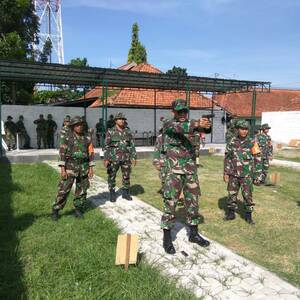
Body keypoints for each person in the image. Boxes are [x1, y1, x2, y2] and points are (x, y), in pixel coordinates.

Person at [158, 99, 211, 254]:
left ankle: (193, 234)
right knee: (170, 204)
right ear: (173, 112)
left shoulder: (192, 124)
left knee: (193, 203)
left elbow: (203, 130)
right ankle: (167, 238)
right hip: (173, 172)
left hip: (190, 171)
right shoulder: (168, 123)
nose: (182, 114)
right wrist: (197, 123)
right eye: (179, 111)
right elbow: (179, 128)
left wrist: (206, 125)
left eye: (184, 111)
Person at [52, 116, 95, 221]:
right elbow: (62, 152)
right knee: (63, 190)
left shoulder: (87, 137)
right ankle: (56, 210)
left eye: (81, 124)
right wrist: (62, 169)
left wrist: (91, 167)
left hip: (83, 167)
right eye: (77, 125)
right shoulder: (67, 137)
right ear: (73, 126)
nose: (79, 127)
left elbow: (91, 152)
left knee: (82, 190)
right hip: (70, 167)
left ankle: (78, 210)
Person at [223, 120, 263, 225]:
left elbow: (258, 158)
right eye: (242, 129)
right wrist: (226, 172)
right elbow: (227, 157)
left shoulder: (252, 142)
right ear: (237, 129)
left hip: (247, 175)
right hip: (233, 174)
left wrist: (258, 175)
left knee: (247, 195)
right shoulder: (232, 141)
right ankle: (231, 213)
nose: (244, 131)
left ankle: (248, 216)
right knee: (232, 194)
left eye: (246, 129)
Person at [104, 112, 137, 202]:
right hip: (113, 158)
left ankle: (125, 193)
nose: (122, 121)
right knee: (112, 175)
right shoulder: (110, 131)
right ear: (116, 121)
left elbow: (132, 145)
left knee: (126, 175)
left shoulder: (128, 131)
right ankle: (112, 193)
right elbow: (106, 146)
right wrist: (106, 159)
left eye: (123, 119)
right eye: (120, 119)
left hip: (126, 158)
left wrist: (134, 156)